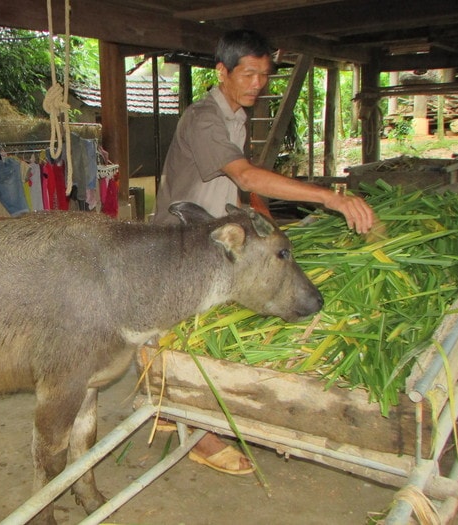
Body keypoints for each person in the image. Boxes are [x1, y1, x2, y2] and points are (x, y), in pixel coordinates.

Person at [152, 29, 376, 475]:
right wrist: (330, 197)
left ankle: (178, 409)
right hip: (181, 239)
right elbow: (248, 175)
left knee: (207, 326)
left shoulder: (238, 114)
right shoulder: (204, 118)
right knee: (178, 332)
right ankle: (190, 426)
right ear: (222, 72)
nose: (257, 83)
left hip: (219, 238)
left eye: (264, 75)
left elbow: (241, 186)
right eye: (248, 74)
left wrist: (260, 216)